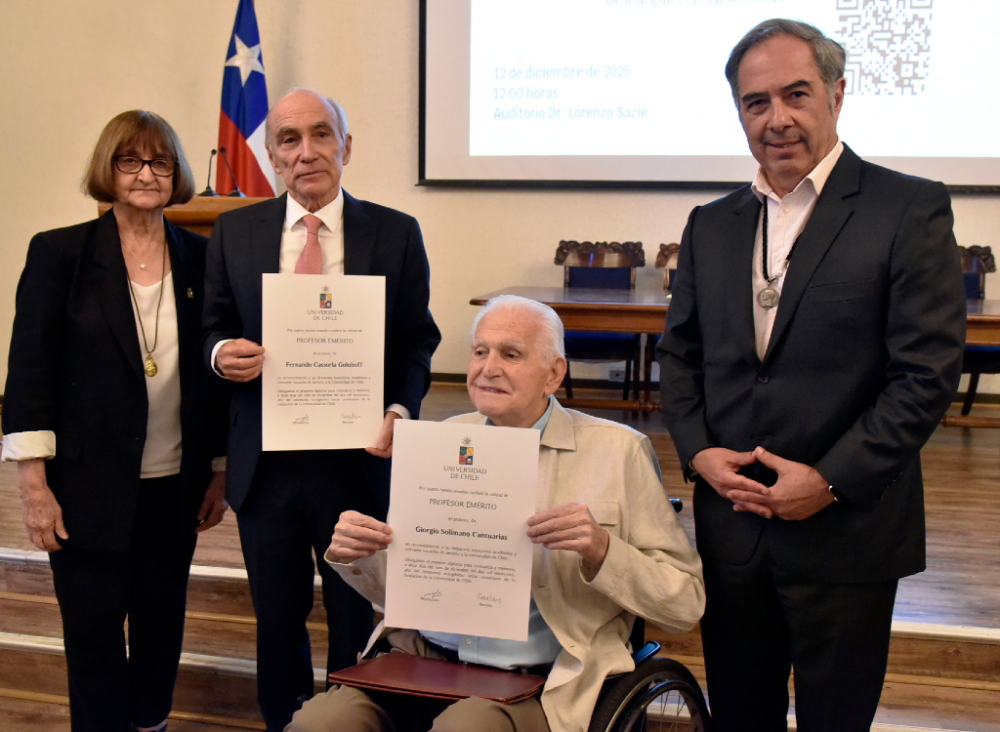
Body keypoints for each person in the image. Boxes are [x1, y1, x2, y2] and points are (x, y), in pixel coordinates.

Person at [656, 18, 966, 732]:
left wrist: (826, 481)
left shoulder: (906, 208)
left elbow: (923, 375)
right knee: (740, 714)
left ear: (837, 94)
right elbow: (682, 357)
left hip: (846, 529)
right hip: (732, 527)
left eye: (796, 94)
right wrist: (700, 453)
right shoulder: (713, 223)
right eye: (755, 102)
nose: (777, 118)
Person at [287, 295, 705, 732]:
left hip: (542, 678)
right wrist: (360, 555)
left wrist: (603, 551)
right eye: (480, 351)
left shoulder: (618, 452)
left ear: (554, 373)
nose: (488, 368)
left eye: (511, 354)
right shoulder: (443, 439)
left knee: (468, 726)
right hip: (423, 661)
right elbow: (399, 593)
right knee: (320, 722)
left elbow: (684, 604)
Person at [203, 88, 441, 730]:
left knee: (354, 619)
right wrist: (222, 352)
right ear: (273, 156)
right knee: (275, 618)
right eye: (289, 139)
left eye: (320, 134)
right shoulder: (235, 231)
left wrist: (399, 406)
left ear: (346, 146)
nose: (306, 152)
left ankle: (353, 721)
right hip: (266, 465)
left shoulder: (394, 233)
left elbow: (419, 337)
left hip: (356, 464)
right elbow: (213, 327)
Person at [1, 110, 229, 732]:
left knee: (161, 633)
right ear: (109, 168)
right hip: (83, 490)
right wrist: (32, 484)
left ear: (178, 172)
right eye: (131, 160)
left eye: (160, 161)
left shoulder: (205, 258)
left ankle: (150, 725)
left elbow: (212, 383)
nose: (147, 174)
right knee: (94, 640)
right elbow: (29, 373)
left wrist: (218, 470)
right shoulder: (59, 253)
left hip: (173, 488)